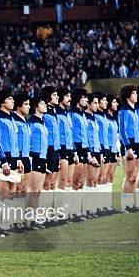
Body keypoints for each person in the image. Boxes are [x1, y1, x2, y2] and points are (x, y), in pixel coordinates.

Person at [0, 89, 24, 234]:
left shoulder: (11, 117)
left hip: (14, 158)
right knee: (3, 192)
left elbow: (15, 141)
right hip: (3, 159)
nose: (13, 101)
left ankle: (6, 223)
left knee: (11, 193)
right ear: (2, 102)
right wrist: (2, 160)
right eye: (10, 99)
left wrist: (18, 159)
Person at [118, 85, 139, 212]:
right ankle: (125, 205)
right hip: (129, 145)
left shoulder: (134, 111)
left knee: (134, 176)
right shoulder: (123, 110)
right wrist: (128, 148)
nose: (136, 95)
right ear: (128, 96)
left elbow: (138, 130)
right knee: (129, 176)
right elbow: (122, 131)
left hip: (137, 145)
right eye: (134, 93)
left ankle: (130, 204)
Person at [70, 88, 95, 221]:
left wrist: (89, 152)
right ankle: (72, 212)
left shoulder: (82, 114)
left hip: (85, 149)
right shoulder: (72, 114)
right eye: (84, 97)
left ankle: (78, 210)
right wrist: (75, 151)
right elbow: (71, 134)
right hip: (78, 149)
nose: (86, 100)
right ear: (78, 99)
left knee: (81, 182)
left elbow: (86, 135)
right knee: (75, 181)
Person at [55, 88, 78, 222]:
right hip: (62, 150)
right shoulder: (56, 114)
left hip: (70, 149)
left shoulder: (67, 113)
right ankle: (60, 213)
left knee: (68, 181)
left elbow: (70, 134)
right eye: (67, 96)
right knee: (62, 181)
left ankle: (67, 211)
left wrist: (74, 151)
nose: (69, 98)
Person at [27, 97, 49, 222]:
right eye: (42, 103)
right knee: (33, 189)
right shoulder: (31, 122)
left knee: (38, 190)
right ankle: (30, 216)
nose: (45, 105)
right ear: (36, 106)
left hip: (42, 157)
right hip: (35, 157)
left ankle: (35, 214)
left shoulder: (42, 121)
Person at [39, 87, 60, 215]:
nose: (57, 97)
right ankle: (41, 215)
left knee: (52, 183)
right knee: (45, 184)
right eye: (54, 95)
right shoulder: (45, 115)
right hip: (48, 150)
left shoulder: (53, 112)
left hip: (55, 150)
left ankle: (48, 213)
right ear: (47, 98)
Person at [12, 93, 31, 230]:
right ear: (18, 106)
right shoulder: (14, 120)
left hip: (27, 157)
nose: (28, 107)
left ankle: (21, 219)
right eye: (26, 104)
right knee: (16, 190)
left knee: (24, 190)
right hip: (18, 158)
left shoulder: (25, 120)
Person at [84, 93, 103, 217]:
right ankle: (87, 209)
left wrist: (100, 152)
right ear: (88, 104)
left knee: (95, 180)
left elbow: (96, 137)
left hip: (97, 150)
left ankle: (93, 208)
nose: (97, 105)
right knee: (89, 180)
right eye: (95, 103)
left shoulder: (94, 117)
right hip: (90, 151)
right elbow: (85, 136)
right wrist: (89, 153)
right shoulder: (85, 117)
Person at [105, 96, 120, 212]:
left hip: (113, 151)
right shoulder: (104, 118)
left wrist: (117, 153)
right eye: (114, 102)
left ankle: (107, 204)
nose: (117, 104)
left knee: (110, 178)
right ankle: (99, 205)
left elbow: (115, 138)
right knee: (102, 178)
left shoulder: (113, 118)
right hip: (106, 150)